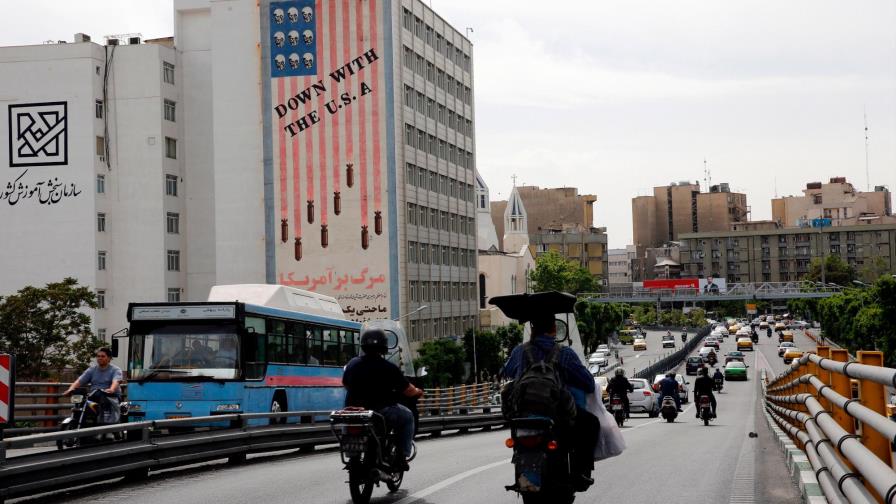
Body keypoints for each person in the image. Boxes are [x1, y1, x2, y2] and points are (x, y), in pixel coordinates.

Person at [503, 314, 599, 491]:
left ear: (532, 329)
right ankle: (580, 473)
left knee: (517, 437)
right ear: (554, 329)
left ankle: (522, 474)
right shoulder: (564, 353)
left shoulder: (520, 351)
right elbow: (588, 383)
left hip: (521, 414)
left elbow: (506, 372)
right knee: (591, 424)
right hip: (556, 415)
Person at [342, 329, 423, 472]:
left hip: (354, 412)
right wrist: (418, 391)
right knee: (408, 417)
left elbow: (345, 383)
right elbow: (408, 390)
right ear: (384, 347)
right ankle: (402, 456)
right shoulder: (389, 368)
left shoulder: (352, 363)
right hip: (381, 412)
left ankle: (353, 456)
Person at [63, 347, 123, 424]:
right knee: (81, 400)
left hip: (111, 396)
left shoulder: (115, 370)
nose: (100, 358)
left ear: (109, 358)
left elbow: (116, 381)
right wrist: (70, 389)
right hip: (94, 395)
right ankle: (79, 422)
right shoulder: (92, 369)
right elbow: (79, 381)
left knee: (101, 396)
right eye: (98, 356)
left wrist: (111, 389)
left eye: (103, 356)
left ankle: (104, 424)